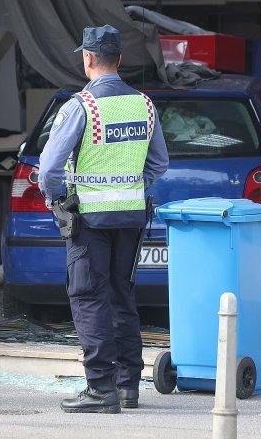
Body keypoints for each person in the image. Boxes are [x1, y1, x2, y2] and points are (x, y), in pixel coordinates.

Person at [37, 24, 168, 413]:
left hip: (89, 222)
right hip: (130, 219)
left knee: (89, 299)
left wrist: (58, 199)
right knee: (121, 297)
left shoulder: (81, 106)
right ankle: (128, 386)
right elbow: (159, 163)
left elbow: (48, 170)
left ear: (88, 58)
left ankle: (100, 388)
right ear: (120, 60)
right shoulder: (144, 104)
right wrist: (130, 186)